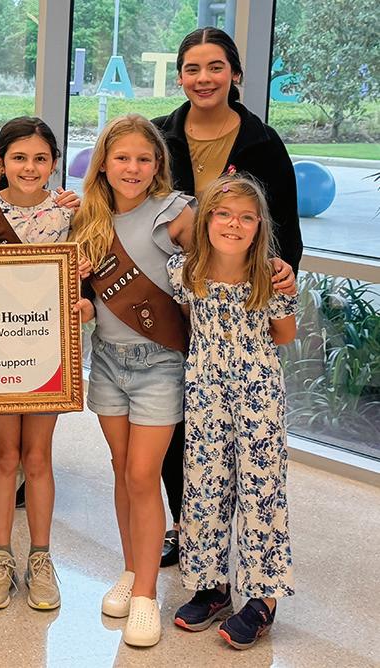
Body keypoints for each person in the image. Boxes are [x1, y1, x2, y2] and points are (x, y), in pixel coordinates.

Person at [151, 26, 301, 568]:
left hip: (240, 307)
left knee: (248, 450)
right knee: (179, 430)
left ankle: (252, 554)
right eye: (192, 68)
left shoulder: (262, 142)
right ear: (180, 77)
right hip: (172, 296)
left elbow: (284, 226)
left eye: (215, 67)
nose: (204, 78)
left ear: (235, 74)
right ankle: (185, 528)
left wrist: (276, 282)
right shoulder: (159, 137)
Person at [0, 116, 88, 611]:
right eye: (19, 158)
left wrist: (85, 291)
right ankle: (1, 556)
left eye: (41, 158)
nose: (30, 167)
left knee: (38, 457)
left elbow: (91, 273)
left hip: (49, 352)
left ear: (55, 163)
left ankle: (41, 558)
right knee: (4, 455)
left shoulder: (70, 213)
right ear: (1, 162)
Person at [72, 114, 195, 648]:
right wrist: (81, 306)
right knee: (123, 472)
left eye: (144, 159)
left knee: (144, 476)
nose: (133, 167)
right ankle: (131, 568)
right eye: (122, 157)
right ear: (103, 162)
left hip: (160, 364)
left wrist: (273, 271)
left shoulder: (175, 212)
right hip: (106, 362)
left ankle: (146, 595)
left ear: (158, 164)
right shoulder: (87, 219)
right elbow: (84, 295)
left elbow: (222, 255)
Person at [167, 174, 297, 649]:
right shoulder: (185, 272)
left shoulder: (271, 276)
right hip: (205, 393)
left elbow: (285, 334)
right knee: (205, 485)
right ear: (206, 220)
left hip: (258, 394)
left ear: (259, 225)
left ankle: (263, 598)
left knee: (261, 489)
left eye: (246, 217)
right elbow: (188, 321)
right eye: (223, 214)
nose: (233, 224)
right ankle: (211, 584)